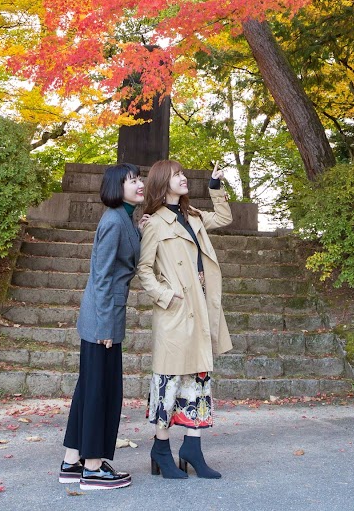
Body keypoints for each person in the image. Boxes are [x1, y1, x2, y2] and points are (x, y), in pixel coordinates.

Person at [133, 159, 234, 479]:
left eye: (183, 174)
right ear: (163, 183)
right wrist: (165, 295)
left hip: (201, 307)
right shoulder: (153, 224)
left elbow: (225, 217)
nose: (184, 178)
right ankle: (161, 449)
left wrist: (215, 186)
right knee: (169, 381)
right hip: (175, 312)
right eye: (177, 175)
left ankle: (193, 447)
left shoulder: (193, 215)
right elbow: (144, 269)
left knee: (199, 378)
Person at [59, 163, 146, 491]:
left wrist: (140, 228)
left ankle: (72, 461)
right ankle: (93, 468)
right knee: (100, 392)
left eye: (138, 179)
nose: (140, 184)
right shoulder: (113, 221)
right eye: (132, 180)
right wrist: (107, 326)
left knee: (89, 389)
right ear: (116, 187)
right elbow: (103, 276)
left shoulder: (124, 219)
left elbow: (125, 257)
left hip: (102, 318)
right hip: (103, 320)